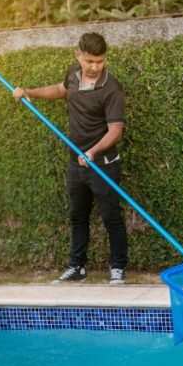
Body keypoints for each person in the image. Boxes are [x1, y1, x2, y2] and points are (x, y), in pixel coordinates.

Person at [13, 32, 127, 284]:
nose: (95, 67)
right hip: (76, 162)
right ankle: (77, 267)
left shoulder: (111, 88)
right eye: (89, 61)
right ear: (78, 56)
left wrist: (92, 152)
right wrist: (29, 92)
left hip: (102, 164)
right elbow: (59, 90)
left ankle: (117, 268)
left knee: (111, 217)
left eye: (100, 61)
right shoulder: (73, 73)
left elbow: (115, 131)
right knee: (77, 216)